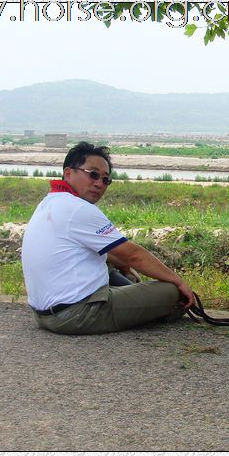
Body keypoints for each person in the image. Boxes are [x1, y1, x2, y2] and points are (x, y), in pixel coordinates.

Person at [21, 142, 199, 335]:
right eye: (93, 174)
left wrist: (122, 267)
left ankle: (137, 302)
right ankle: (162, 310)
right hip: (78, 315)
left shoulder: (50, 202)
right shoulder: (79, 209)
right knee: (173, 293)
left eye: (106, 179)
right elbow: (133, 255)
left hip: (43, 316)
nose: (99, 183)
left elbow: (109, 253)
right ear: (68, 173)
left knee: (109, 264)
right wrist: (178, 281)